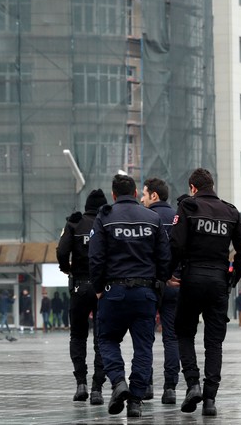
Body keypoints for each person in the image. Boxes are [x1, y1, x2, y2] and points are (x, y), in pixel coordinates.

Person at [89, 174, 171, 418]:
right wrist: (159, 283)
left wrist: (98, 287)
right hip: (145, 293)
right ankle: (135, 401)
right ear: (135, 193)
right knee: (143, 347)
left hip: (113, 292)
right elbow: (164, 258)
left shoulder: (104, 217)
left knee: (106, 340)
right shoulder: (153, 218)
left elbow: (95, 257)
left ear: (114, 195)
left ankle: (118, 382)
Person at [169, 167, 241, 416]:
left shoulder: (188, 207)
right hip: (218, 282)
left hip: (192, 279)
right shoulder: (230, 211)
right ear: (212, 186)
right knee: (214, 342)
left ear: (193, 188)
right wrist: (232, 279)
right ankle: (210, 399)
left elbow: (176, 244)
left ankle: (193, 384)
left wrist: (171, 273)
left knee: (183, 332)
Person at [56, 188, 108, 405]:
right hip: (104, 289)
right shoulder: (107, 222)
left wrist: (67, 268)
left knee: (78, 336)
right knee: (102, 339)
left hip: (80, 286)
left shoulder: (75, 223)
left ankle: (81, 384)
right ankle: (97, 388)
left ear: (87, 206)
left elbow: (61, 251)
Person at [141, 177, 180, 404]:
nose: (142, 198)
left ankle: (146, 386)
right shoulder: (177, 217)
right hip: (174, 284)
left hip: (150, 284)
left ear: (154, 195)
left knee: (144, 337)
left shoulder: (145, 218)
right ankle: (170, 388)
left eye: (144, 194)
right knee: (171, 337)